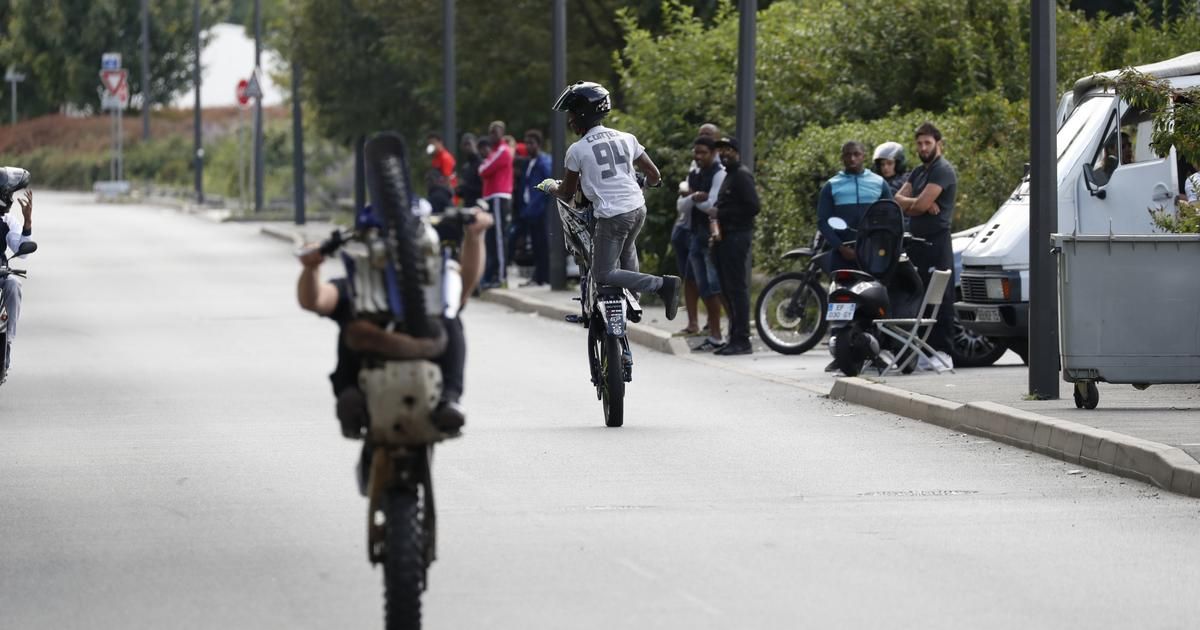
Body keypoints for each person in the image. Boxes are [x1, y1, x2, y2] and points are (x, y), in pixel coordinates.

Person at [540, 80, 681, 319]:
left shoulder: (577, 150)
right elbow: (654, 174)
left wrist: (550, 186)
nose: (570, 119)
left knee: (603, 273)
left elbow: (567, 193)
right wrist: (648, 184)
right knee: (627, 248)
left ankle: (662, 286)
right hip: (637, 208)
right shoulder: (627, 138)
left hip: (612, 214)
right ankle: (632, 301)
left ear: (583, 114)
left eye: (572, 113)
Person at [894, 121, 957, 361]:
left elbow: (914, 204)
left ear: (938, 144)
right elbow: (898, 198)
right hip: (917, 243)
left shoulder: (943, 170)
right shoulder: (919, 172)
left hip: (937, 243)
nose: (923, 147)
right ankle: (919, 352)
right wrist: (919, 204)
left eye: (927, 143)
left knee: (939, 297)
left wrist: (918, 204)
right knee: (916, 297)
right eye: (919, 143)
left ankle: (942, 353)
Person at [711, 136, 759, 356]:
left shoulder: (741, 175)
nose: (724, 154)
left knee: (737, 289)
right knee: (727, 289)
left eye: (728, 149)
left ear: (737, 151)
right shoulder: (729, 176)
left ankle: (742, 339)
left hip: (737, 237)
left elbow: (753, 207)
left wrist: (722, 213)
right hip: (724, 239)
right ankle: (733, 337)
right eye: (721, 150)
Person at [678, 135, 727, 351]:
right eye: (695, 153)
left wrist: (693, 198)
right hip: (695, 236)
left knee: (715, 287)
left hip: (711, 237)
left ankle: (726, 332)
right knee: (703, 287)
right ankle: (714, 335)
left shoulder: (719, 173)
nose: (698, 157)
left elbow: (712, 205)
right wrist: (695, 197)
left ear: (714, 153)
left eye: (703, 153)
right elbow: (681, 205)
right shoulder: (695, 173)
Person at [817, 141, 893, 272]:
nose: (852, 158)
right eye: (848, 155)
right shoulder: (831, 185)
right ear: (842, 158)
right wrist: (841, 248)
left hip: (873, 253)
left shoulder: (879, 183)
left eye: (856, 154)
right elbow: (822, 221)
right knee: (841, 291)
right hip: (842, 254)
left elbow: (890, 216)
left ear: (864, 156)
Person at [0, 168, 33, 381]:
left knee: (13, 284)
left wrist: (27, 222)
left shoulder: (7, 220)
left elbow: (21, 252)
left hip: (1, 274)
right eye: (7, 194)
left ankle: (7, 343)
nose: (10, 198)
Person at [479, 121, 514, 288]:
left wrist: (484, 167)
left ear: (502, 133)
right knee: (491, 239)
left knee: (499, 238)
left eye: (496, 132)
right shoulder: (493, 152)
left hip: (499, 196)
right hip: (491, 197)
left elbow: (484, 170)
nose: (493, 135)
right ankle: (492, 275)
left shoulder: (503, 150)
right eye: (491, 132)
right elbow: (483, 169)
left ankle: (501, 277)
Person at [519, 129, 553, 286]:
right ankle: (538, 276)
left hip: (540, 209)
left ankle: (544, 277)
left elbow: (548, 184)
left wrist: (536, 205)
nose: (527, 146)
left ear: (538, 144)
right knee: (535, 245)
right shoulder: (530, 162)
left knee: (542, 244)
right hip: (531, 210)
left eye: (531, 143)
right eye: (526, 143)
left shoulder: (544, 161)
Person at [456, 133, 484, 209]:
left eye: (469, 144)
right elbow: (461, 193)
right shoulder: (465, 167)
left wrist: (466, 187)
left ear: (476, 144)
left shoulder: (482, 164)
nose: (467, 147)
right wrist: (458, 189)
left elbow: (484, 187)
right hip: (467, 207)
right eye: (464, 145)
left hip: (480, 206)